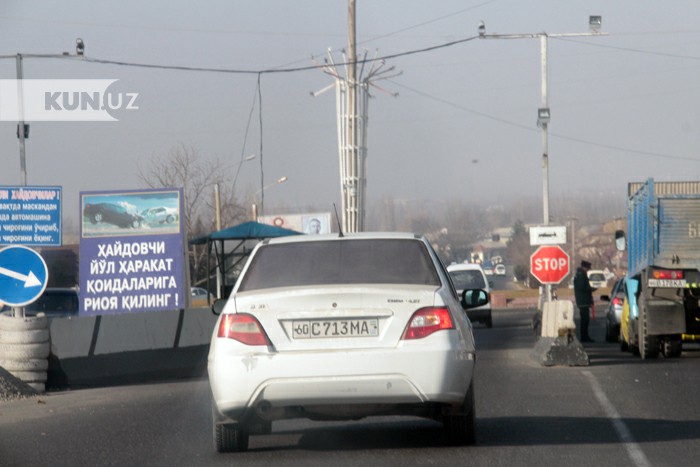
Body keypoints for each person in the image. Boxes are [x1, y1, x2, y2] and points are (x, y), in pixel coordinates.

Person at [573, 260, 594, 343]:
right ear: (585, 267)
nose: (588, 270)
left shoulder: (581, 275)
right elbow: (582, 287)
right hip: (583, 301)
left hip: (584, 300)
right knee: (584, 320)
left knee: (586, 320)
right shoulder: (581, 275)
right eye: (588, 268)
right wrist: (591, 289)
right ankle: (584, 336)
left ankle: (585, 336)